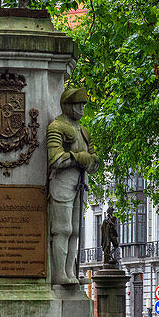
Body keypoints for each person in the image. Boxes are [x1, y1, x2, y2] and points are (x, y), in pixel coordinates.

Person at [47, 87, 99, 285]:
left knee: (76, 229)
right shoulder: (57, 127)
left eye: (83, 105)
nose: (81, 109)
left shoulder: (84, 131)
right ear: (67, 105)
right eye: (78, 105)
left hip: (81, 182)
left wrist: (89, 160)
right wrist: (79, 157)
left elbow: (95, 161)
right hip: (63, 181)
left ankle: (70, 271)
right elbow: (55, 159)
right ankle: (59, 273)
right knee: (63, 228)